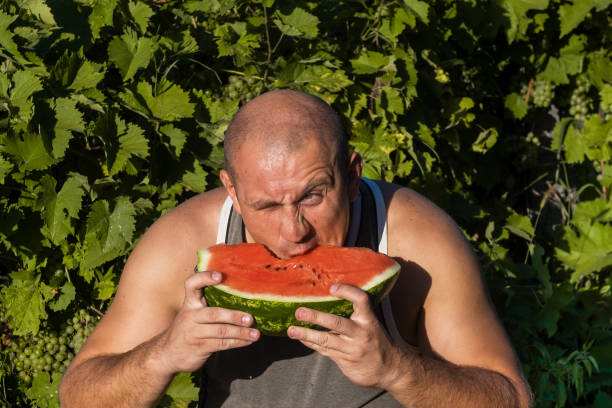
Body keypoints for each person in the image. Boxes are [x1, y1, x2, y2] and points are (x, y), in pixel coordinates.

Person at [58, 89, 532, 407]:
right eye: (264, 205)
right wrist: (164, 353)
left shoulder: (414, 242)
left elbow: (512, 397)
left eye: (312, 195)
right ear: (232, 191)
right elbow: (77, 394)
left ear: (350, 176)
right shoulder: (183, 243)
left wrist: (398, 369)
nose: (293, 230)